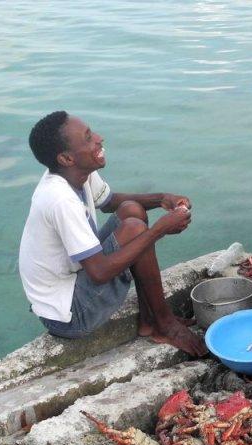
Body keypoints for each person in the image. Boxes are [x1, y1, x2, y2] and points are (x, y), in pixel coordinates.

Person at [18, 111, 207, 356]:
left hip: (77, 281)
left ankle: (150, 321)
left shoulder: (77, 172)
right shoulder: (59, 199)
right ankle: (165, 324)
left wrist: (162, 199)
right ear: (66, 158)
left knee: (131, 210)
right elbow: (99, 273)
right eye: (88, 138)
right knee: (135, 228)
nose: (99, 138)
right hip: (70, 315)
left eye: (92, 132)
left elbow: (108, 202)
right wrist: (161, 228)